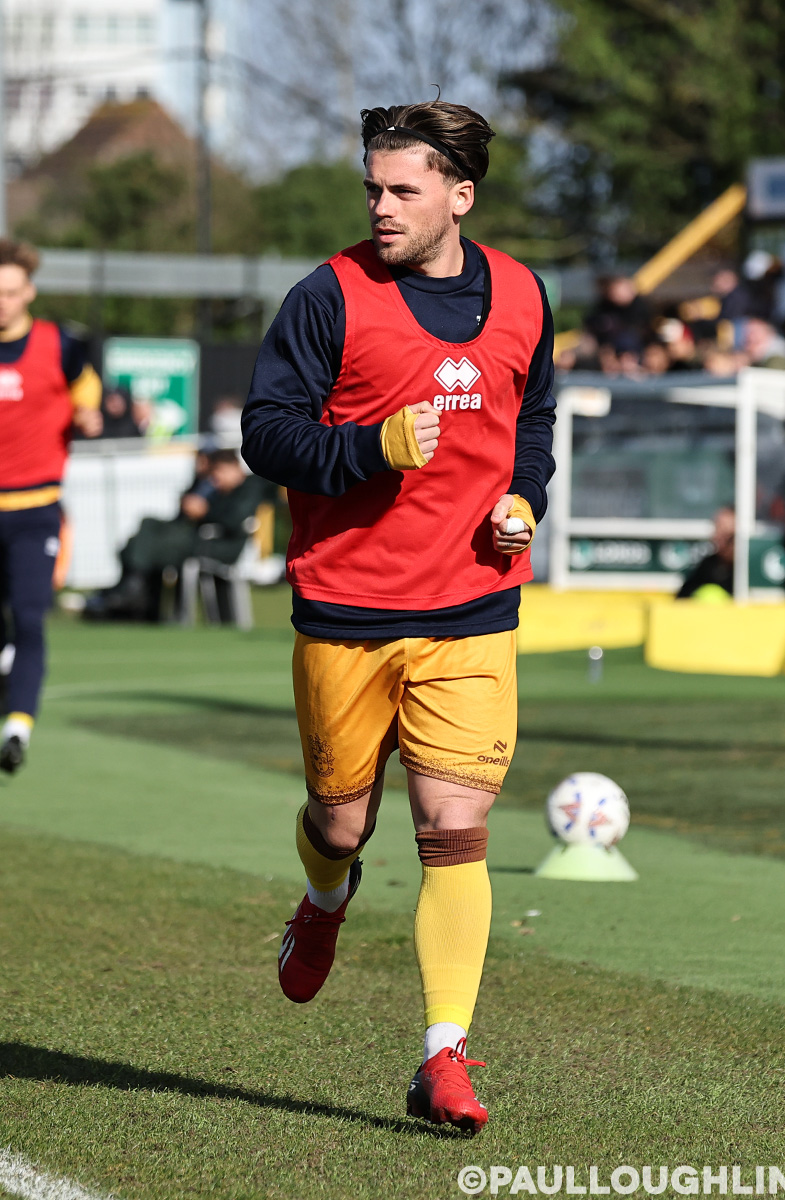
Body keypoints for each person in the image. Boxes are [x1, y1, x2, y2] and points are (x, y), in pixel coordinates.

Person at [241, 100, 556, 1133]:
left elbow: (532, 418)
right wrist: (369, 448)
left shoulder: (524, 294)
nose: (380, 206)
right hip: (347, 607)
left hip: (475, 605)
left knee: (454, 830)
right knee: (340, 821)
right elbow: (265, 435)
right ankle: (325, 898)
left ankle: (442, 1058)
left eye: (402, 190)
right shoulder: (325, 298)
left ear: (459, 196)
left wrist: (525, 498)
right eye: (372, 188)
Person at [0, 239, 102, 774]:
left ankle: (17, 727)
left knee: (30, 617)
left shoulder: (58, 344)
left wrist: (87, 414)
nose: (2, 303)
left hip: (35, 508)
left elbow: (87, 388)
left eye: (10, 292)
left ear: (29, 293)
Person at [83, 449, 266, 621]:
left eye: (221, 471)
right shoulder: (213, 487)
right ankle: (133, 590)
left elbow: (233, 520)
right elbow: (187, 514)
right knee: (147, 525)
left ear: (236, 468)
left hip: (217, 546)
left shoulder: (248, 488)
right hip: (196, 538)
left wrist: (204, 511)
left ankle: (128, 592)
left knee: (146, 546)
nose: (217, 477)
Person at [676, 507, 736, 599]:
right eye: (717, 528)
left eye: (727, 535)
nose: (717, 537)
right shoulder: (708, 566)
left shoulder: (748, 571)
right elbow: (681, 598)